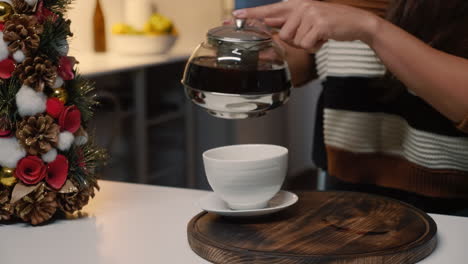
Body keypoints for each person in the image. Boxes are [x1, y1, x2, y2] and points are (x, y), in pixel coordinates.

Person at [233, 0, 468, 215]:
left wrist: (370, 29)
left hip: (452, 201)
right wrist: (273, 54)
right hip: (346, 186)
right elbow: (312, 57)